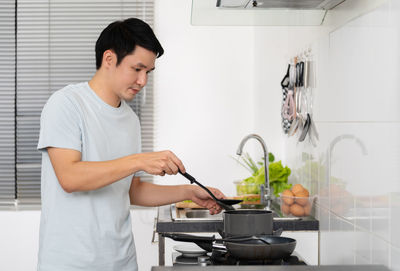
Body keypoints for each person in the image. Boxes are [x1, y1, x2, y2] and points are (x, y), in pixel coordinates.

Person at [36, 18, 224, 271]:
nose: (143, 80)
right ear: (109, 59)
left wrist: (189, 193)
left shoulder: (130, 120)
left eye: (148, 72)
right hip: (70, 263)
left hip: (121, 261)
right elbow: (70, 177)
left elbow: (131, 190)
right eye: (137, 69)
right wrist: (139, 160)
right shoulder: (66, 104)